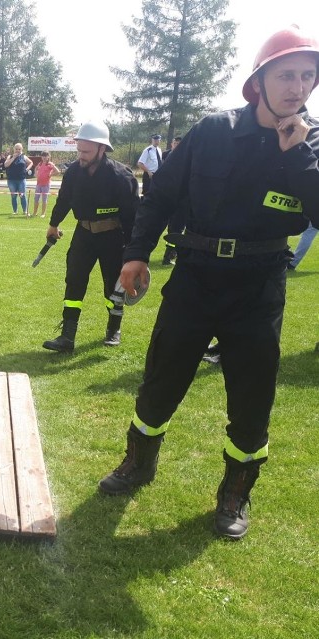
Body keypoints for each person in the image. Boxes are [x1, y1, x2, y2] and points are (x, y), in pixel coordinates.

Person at [97, 27, 319, 540]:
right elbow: (161, 196)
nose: (298, 87)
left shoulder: (311, 143)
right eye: (287, 75)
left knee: (252, 396)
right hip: (195, 279)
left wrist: (298, 154)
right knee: (162, 378)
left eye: (307, 77)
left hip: (259, 288)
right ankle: (138, 463)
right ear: (259, 81)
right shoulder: (214, 130)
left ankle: (235, 492)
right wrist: (135, 254)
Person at [42, 121, 138, 352]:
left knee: (112, 287)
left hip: (113, 238)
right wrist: (53, 224)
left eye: (86, 151)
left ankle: (113, 329)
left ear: (101, 149)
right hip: (83, 235)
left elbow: (133, 216)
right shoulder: (74, 172)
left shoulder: (121, 176)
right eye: (79, 151)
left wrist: (133, 251)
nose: (81, 156)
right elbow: (64, 199)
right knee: (74, 281)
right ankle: (67, 337)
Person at [159, 136, 185, 265]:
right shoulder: (167, 156)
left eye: (179, 143)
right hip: (172, 199)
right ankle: (168, 257)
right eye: (175, 143)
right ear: (172, 144)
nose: (177, 145)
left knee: (176, 229)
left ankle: (170, 255)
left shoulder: (185, 156)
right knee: (175, 229)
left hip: (179, 199)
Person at [4, 143, 34, 216]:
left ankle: (25, 211)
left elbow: (31, 163)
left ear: (22, 149)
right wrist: (13, 158)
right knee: (13, 196)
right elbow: (6, 165)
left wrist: (27, 169)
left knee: (22, 195)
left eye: (19, 149)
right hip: (11, 180)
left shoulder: (24, 157)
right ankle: (15, 211)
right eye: (16, 149)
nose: (18, 150)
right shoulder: (10, 156)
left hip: (21, 180)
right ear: (14, 149)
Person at [34, 150, 60, 218]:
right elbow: (36, 168)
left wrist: (51, 174)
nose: (44, 157)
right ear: (41, 157)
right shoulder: (40, 163)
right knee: (36, 198)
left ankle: (43, 213)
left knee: (44, 199)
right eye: (43, 156)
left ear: (48, 156)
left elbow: (58, 171)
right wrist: (36, 173)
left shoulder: (50, 164)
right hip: (38, 184)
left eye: (46, 156)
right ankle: (34, 213)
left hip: (46, 184)